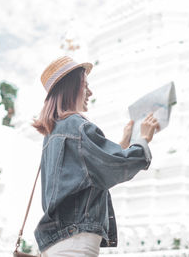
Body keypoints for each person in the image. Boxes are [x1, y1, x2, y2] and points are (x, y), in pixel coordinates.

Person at [32, 56, 160, 257]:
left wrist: (124, 142)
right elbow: (118, 166)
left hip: (56, 240)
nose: (89, 92)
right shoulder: (78, 126)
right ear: (72, 87)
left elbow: (87, 171)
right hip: (75, 240)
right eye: (85, 85)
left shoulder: (53, 133)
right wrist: (143, 139)